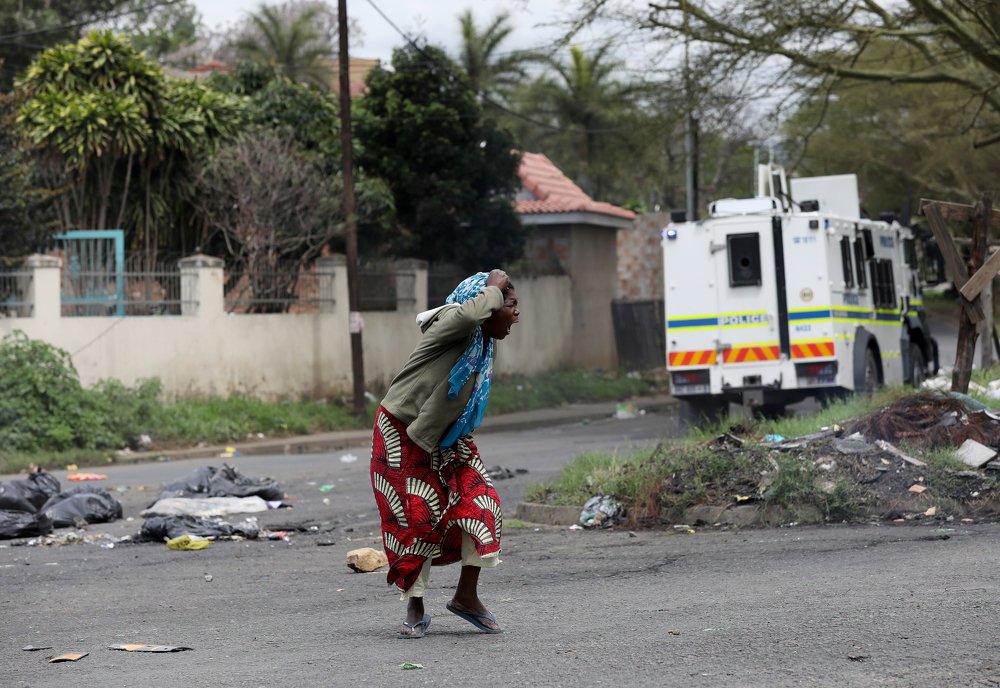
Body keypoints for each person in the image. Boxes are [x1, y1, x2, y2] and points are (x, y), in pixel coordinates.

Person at [369, 269, 520, 639]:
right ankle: (415, 604)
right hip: (401, 432)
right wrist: (493, 288)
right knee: (416, 519)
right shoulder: (453, 324)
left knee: (484, 502)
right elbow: (469, 314)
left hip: (450, 437)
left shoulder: (483, 344)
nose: (516, 315)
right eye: (510, 305)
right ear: (487, 304)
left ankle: (466, 596)